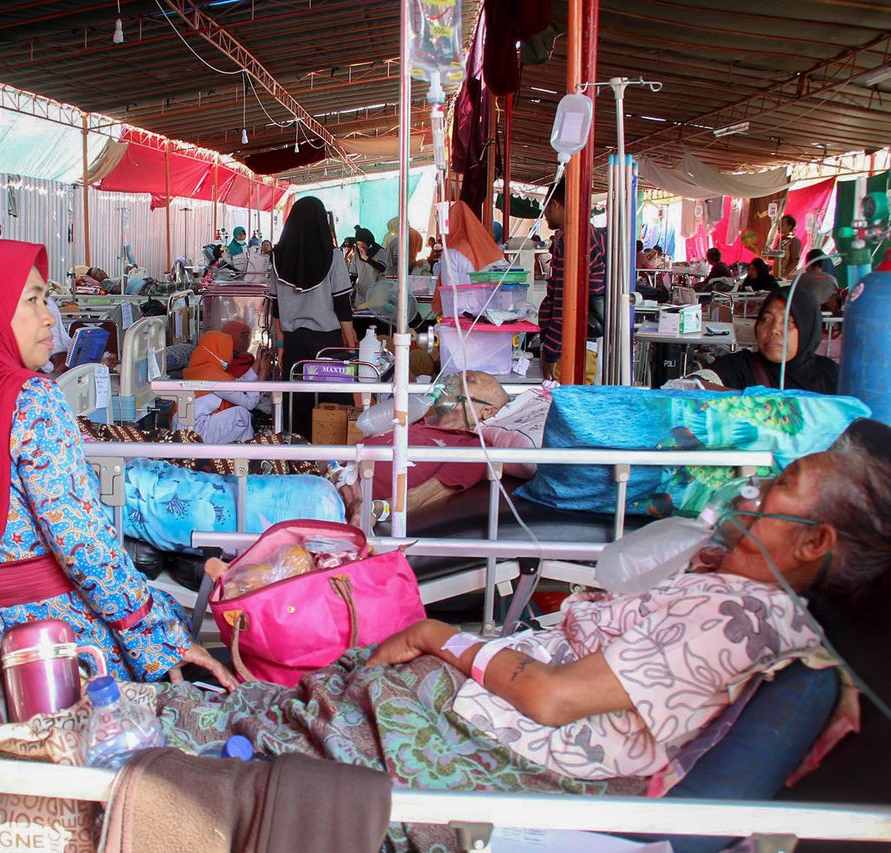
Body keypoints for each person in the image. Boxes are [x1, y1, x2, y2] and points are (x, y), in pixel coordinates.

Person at [73, 439, 891, 853]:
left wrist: (439, 633)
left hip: (518, 738)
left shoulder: (746, 621)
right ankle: (140, 729)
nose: (755, 488)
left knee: (290, 730)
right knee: (288, 705)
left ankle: (117, 757)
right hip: (486, 702)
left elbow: (554, 698)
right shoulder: (723, 586)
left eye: (780, 486)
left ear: (814, 539)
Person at [0, 239, 234, 689]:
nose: (49, 316)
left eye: (46, 299)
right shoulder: (31, 402)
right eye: (31, 300)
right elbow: (83, 547)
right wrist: (157, 635)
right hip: (58, 646)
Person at [344, 372, 551, 522]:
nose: (452, 380)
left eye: (468, 380)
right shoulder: (415, 422)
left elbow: (419, 498)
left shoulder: (471, 447)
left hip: (345, 507)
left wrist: (369, 508)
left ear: (488, 411)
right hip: (329, 478)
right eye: (457, 375)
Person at [269, 197, 358, 436]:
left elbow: (276, 309)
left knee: (297, 403)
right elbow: (342, 305)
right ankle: (333, 455)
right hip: (327, 345)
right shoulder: (333, 256)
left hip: (294, 343)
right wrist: (350, 342)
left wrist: (280, 345)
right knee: (333, 402)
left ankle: (298, 454)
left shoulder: (278, 258)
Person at [704, 287, 838, 393]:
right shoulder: (741, 367)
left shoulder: (832, 376)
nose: (774, 329)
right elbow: (697, 383)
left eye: (788, 322)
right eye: (766, 319)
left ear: (807, 329)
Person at [538, 180, 607, 381]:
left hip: (571, 347)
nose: (545, 214)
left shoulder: (573, 242)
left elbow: (566, 303)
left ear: (556, 205)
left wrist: (551, 350)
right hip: (585, 343)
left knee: (566, 405)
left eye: (546, 207)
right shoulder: (593, 235)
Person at [179, 331, 264, 444]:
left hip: (185, 429)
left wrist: (257, 363)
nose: (230, 357)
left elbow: (237, 384)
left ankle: (243, 456)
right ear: (219, 350)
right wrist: (264, 372)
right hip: (196, 432)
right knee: (241, 415)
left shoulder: (200, 370)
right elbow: (249, 403)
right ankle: (248, 457)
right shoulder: (215, 377)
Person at [349, 226, 389, 296]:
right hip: (362, 292)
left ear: (368, 242)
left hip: (377, 291)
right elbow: (354, 274)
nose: (360, 247)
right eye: (358, 244)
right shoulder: (357, 254)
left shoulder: (379, 251)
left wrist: (367, 259)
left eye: (363, 244)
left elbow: (382, 268)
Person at [776, 214, 803, 281]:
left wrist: (785, 275)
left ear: (789, 226)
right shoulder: (780, 240)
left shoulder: (794, 241)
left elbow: (796, 261)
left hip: (786, 278)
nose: (779, 227)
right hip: (777, 275)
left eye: (782, 225)